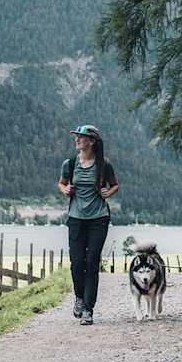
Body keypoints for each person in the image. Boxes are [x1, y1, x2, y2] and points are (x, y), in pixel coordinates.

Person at [58, 124, 119, 325]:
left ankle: (88, 310)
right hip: (76, 218)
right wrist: (65, 189)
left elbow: (115, 184)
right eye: (76, 136)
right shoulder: (70, 163)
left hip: (98, 219)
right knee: (77, 263)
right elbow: (61, 183)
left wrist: (108, 193)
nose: (76, 139)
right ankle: (79, 297)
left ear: (91, 141)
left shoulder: (104, 164)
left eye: (81, 137)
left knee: (92, 262)